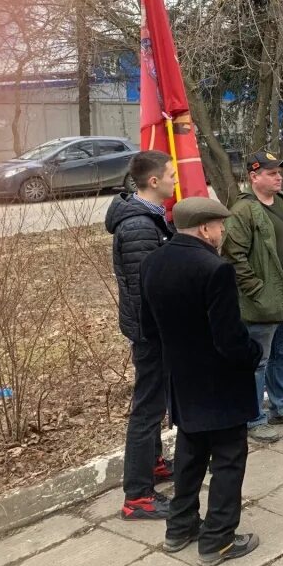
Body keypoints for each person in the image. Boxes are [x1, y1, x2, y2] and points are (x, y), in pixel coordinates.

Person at [140, 197, 263, 566]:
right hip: (220, 386)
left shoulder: (151, 263)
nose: (222, 232)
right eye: (219, 226)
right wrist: (254, 353)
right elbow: (229, 341)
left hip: (181, 380)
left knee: (190, 456)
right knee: (228, 461)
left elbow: (149, 330)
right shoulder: (215, 270)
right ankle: (218, 540)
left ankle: (179, 528)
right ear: (205, 228)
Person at [221, 150, 283, 443]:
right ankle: (254, 418)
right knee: (257, 362)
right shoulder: (243, 211)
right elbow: (233, 256)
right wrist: (256, 291)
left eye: (280, 172)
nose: (279, 177)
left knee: (281, 357)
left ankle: (280, 407)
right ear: (254, 176)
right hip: (262, 303)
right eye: (272, 173)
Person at [105, 150, 176, 521]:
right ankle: (138, 496)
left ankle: (155, 465)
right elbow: (148, 289)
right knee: (147, 409)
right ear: (153, 181)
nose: (174, 180)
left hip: (154, 331)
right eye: (171, 175)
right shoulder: (138, 227)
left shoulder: (150, 219)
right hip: (151, 334)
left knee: (155, 402)